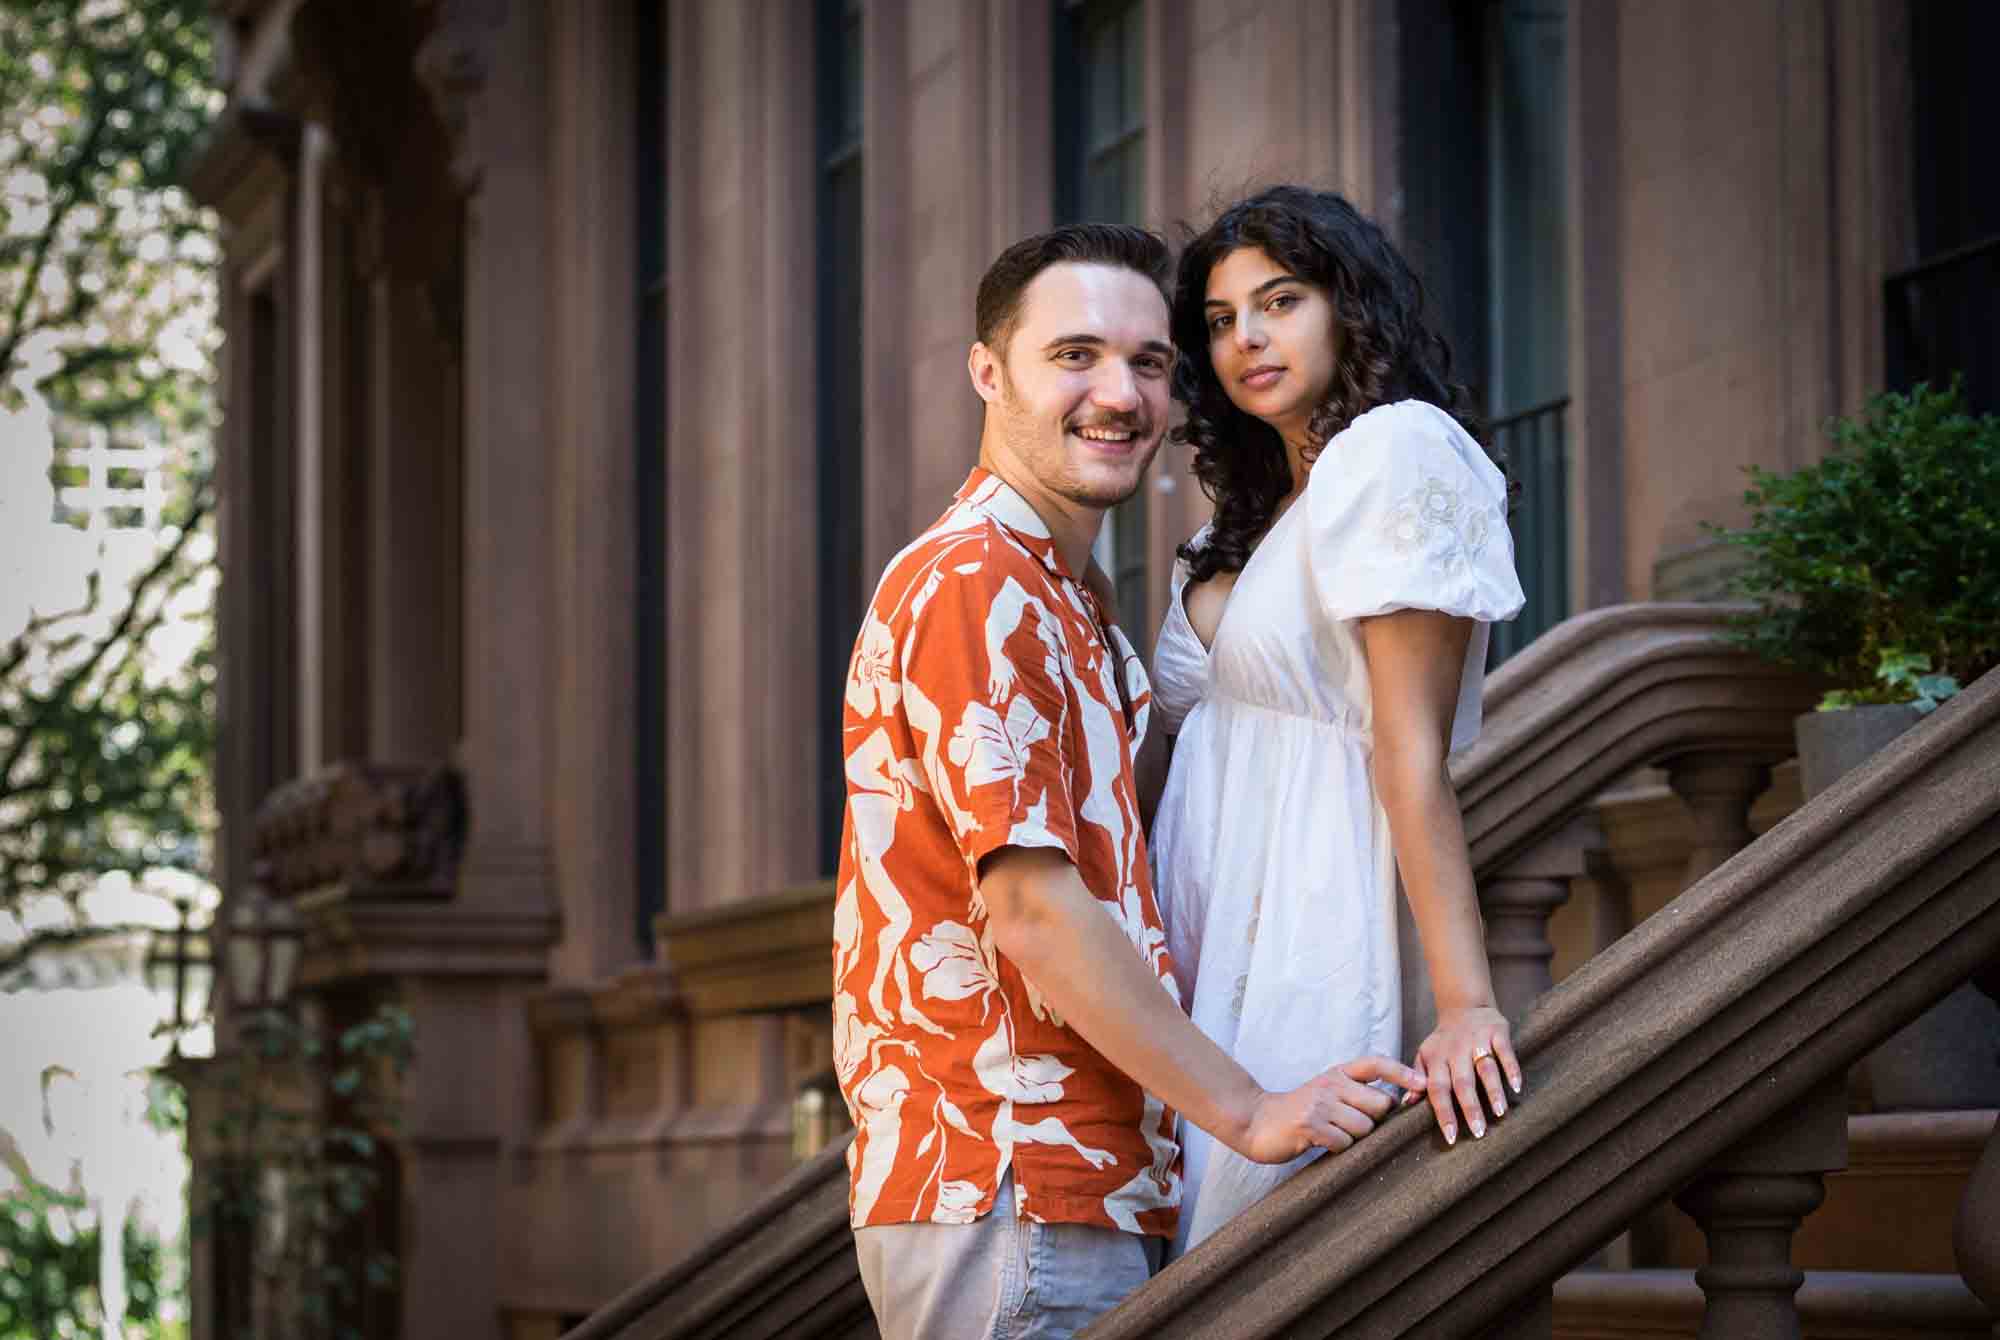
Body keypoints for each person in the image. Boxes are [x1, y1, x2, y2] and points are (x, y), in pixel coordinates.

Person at [832, 221, 1424, 1340]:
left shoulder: (1066, 599)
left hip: (1078, 1186)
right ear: (986, 370)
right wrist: (1248, 1108)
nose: (1119, 393)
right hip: (1010, 1186)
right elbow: (1029, 901)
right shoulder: (976, 583)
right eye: (1074, 355)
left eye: (1149, 363)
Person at [1146, 185, 1529, 1256]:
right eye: (1219, 321)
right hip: (1197, 937)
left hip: (1309, 918)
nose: (1246, 338)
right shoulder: (1242, 518)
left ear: (1347, 305)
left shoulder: (1394, 453)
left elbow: (1408, 750)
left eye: (1279, 300)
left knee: (1256, 1256)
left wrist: (1464, 1005)